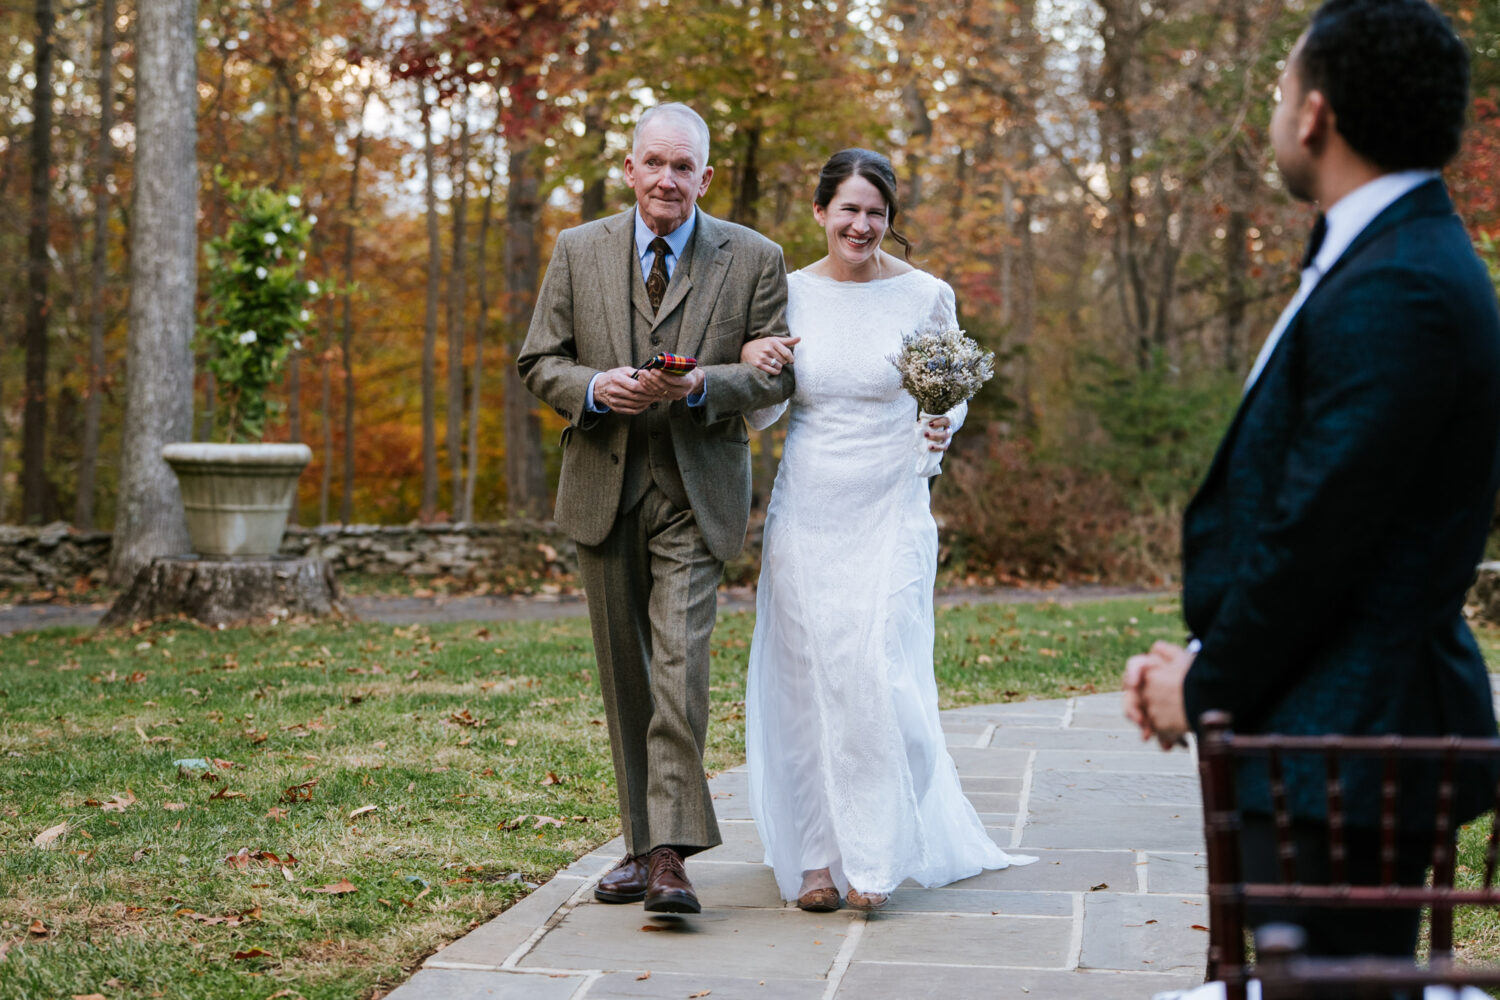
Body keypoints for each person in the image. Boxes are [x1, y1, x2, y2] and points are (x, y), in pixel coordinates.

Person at [1124, 0, 1500, 967]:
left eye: (1281, 87)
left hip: (1349, 744)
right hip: (1317, 729)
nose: (1276, 108)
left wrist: (1204, 682)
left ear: (1316, 115)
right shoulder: (1378, 256)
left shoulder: (1401, 284)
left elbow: (1320, 535)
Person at [738, 148, 1036, 913]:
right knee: (806, 683)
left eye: (876, 213)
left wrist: (942, 422)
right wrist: (753, 360)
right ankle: (813, 862)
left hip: (893, 504)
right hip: (808, 507)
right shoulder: (788, 293)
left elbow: (952, 388)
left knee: (880, 670)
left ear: (889, 221)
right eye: (849, 210)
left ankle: (874, 852)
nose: (862, 225)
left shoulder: (926, 296)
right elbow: (765, 409)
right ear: (820, 213)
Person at [517, 103, 795, 915]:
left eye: (684, 168)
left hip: (696, 492)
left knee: (680, 667)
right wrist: (596, 388)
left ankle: (671, 855)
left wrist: (704, 382)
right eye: (655, 164)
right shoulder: (577, 250)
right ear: (630, 169)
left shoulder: (755, 258)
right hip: (602, 487)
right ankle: (641, 846)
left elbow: (779, 375)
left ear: (704, 178)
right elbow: (540, 360)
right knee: (626, 678)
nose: (667, 180)